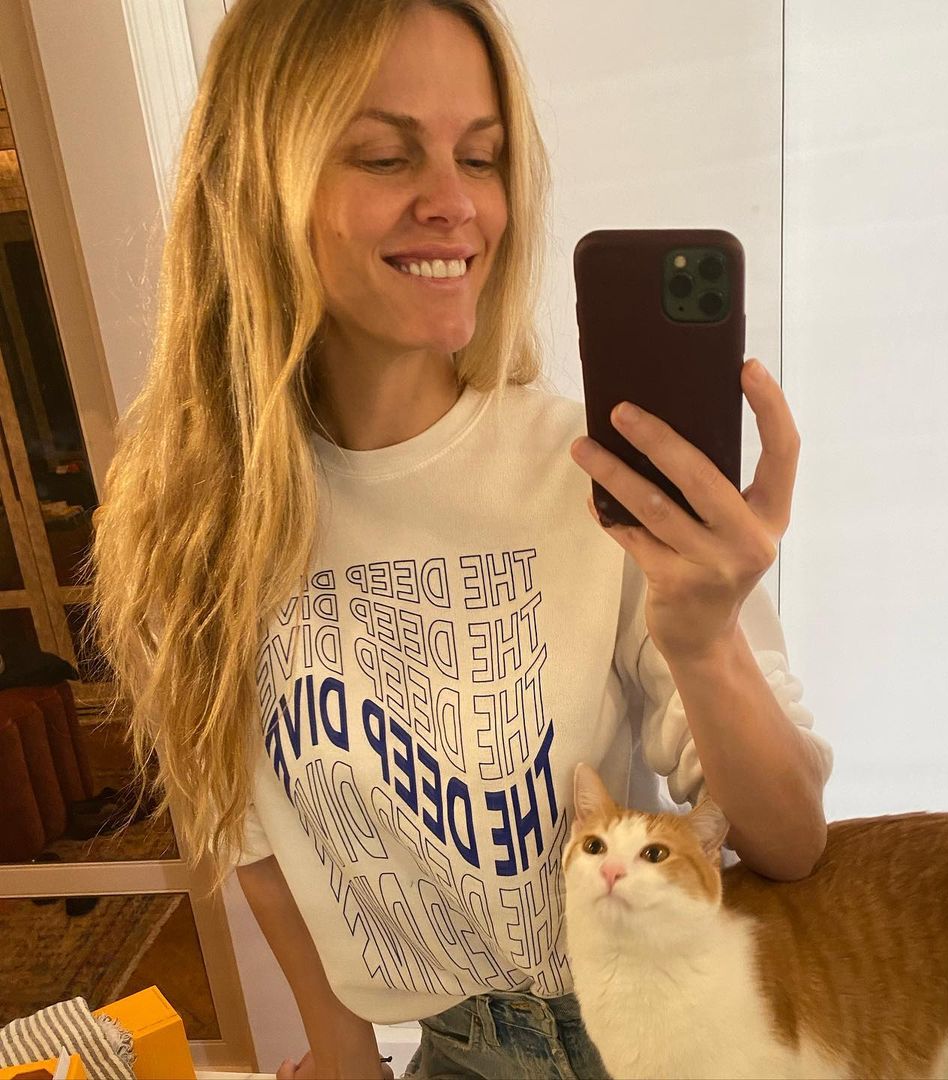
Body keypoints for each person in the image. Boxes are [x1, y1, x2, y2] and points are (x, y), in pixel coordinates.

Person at [86, 1, 834, 1077]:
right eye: (386, 155)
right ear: (258, 186)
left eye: (480, 158)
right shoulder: (198, 523)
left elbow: (791, 844)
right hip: (455, 1055)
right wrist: (344, 1059)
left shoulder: (593, 477)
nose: (455, 203)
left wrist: (709, 640)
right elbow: (250, 835)